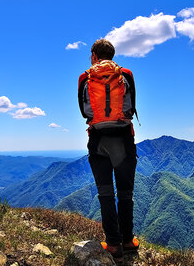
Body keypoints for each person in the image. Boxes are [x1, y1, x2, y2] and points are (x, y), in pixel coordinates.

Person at [78, 39, 140, 259]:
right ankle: (128, 240)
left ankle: (113, 245)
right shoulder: (126, 74)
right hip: (123, 139)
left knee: (105, 193)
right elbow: (131, 107)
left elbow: (85, 113)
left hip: (98, 140)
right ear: (112, 55)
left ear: (94, 55)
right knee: (125, 193)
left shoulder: (85, 77)